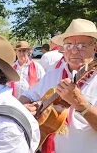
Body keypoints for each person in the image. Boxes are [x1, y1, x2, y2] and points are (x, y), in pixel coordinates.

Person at [19, 18, 97, 153]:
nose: (73, 51)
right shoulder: (52, 75)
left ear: (95, 47)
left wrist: (82, 106)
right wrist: (25, 109)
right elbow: (26, 96)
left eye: (81, 46)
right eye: (68, 45)